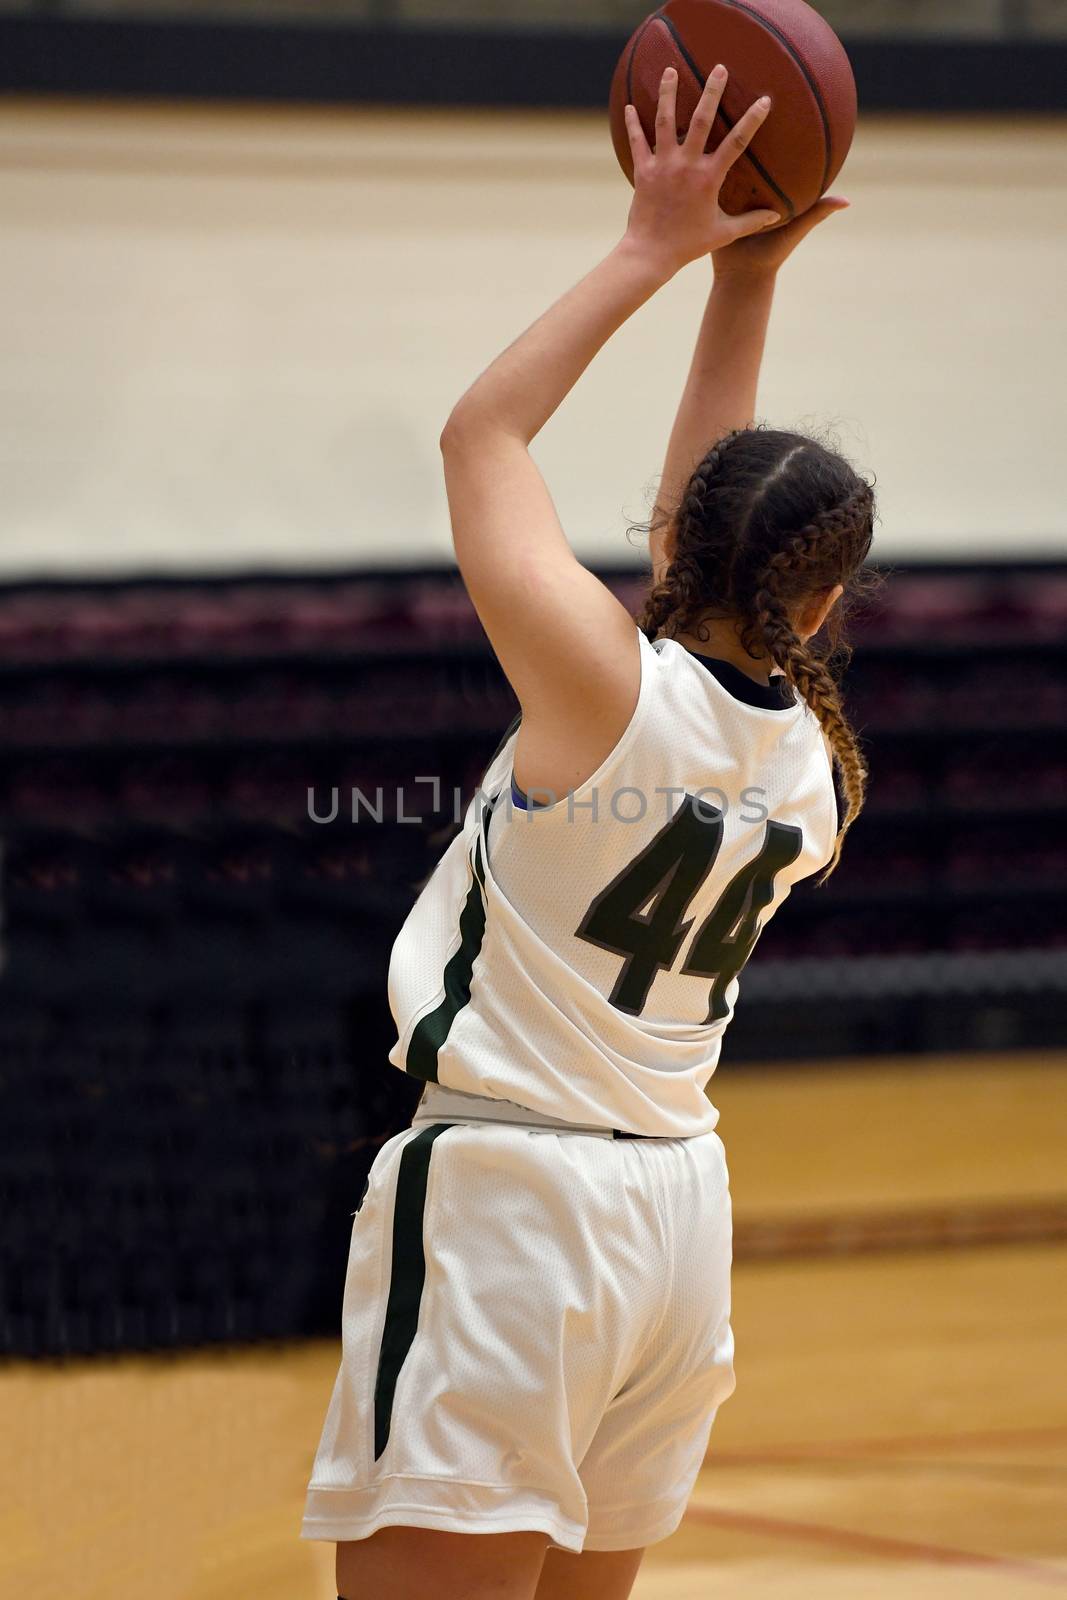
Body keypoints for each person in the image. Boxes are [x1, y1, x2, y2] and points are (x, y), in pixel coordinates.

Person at [301, 63, 875, 1600]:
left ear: (674, 539)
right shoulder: (812, 769)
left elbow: (483, 440)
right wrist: (743, 287)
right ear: (821, 602)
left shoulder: (606, 695)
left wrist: (659, 245)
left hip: (516, 1211)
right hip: (679, 1222)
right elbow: (714, 547)